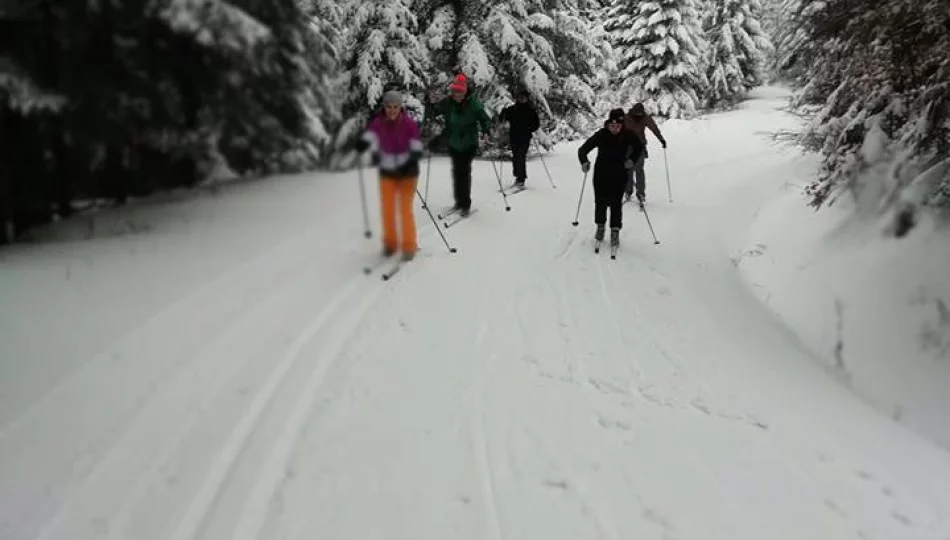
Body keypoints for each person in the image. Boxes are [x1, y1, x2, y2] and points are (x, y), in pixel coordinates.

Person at [354, 89, 424, 260]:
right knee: (387, 209)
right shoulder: (378, 123)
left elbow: (416, 148)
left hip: (407, 173)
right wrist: (362, 143)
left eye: (395, 106)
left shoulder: (409, 124)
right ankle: (390, 244)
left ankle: (409, 246)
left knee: (404, 210)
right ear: (384, 107)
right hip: (387, 172)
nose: (392, 110)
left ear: (401, 107)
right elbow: (370, 135)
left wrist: (409, 163)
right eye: (389, 106)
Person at [425, 73, 492, 215]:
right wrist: (430, 103)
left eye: (460, 92)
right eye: (455, 91)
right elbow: (434, 111)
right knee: (457, 172)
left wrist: (486, 131)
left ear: (465, 91)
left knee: (464, 171)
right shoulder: (447, 103)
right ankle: (459, 202)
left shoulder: (474, 104)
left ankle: (465, 204)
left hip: (469, 142)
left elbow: (484, 119)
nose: (457, 95)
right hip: (454, 141)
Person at [578, 108, 644, 248]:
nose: (615, 129)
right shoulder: (601, 135)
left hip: (619, 174)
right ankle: (600, 227)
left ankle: (615, 231)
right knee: (600, 202)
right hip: (601, 174)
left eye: (618, 126)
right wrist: (584, 161)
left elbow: (639, 147)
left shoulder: (628, 135)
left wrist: (632, 159)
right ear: (607, 124)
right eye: (612, 126)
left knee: (615, 204)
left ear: (622, 125)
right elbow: (583, 149)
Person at [623, 103, 667, 204]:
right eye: (637, 114)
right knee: (628, 170)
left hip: (640, 147)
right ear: (633, 111)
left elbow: (654, 129)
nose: (639, 116)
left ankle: (641, 194)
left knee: (639, 170)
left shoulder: (645, 118)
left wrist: (661, 140)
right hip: (627, 147)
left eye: (640, 114)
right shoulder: (626, 118)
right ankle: (628, 191)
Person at [499, 89, 540, 188]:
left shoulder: (530, 110)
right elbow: (502, 117)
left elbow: (536, 124)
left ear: (526, 98)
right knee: (515, 158)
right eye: (520, 97)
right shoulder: (513, 109)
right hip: (514, 137)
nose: (521, 99)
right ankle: (517, 177)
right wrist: (503, 113)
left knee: (521, 157)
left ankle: (521, 179)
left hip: (525, 138)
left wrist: (530, 128)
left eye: (523, 97)